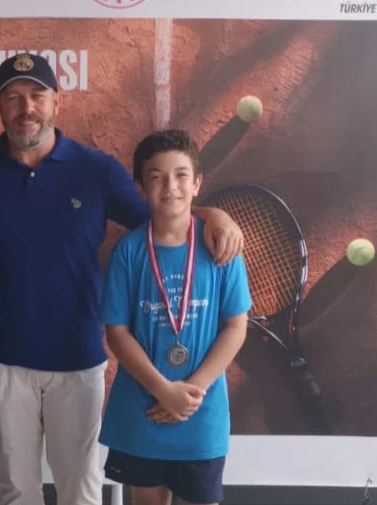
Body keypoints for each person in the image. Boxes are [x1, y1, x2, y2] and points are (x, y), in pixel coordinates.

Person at [0, 53, 245, 505]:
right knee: (17, 491)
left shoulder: (97, 170)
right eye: (14, 97)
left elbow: (161, 214)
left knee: (80, 489)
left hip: (78, 361)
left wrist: (210, 213)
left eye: (38, 95)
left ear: (57, 101)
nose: (27, 108)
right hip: (4, 362)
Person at [99, 130, 251, 505]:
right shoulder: (129, 252)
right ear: (140, 188)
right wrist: (163, 391)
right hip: (144, 407)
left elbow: (236, 326)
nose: (171, 186)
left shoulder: (221, 248)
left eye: (182, 175)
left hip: (201, 413)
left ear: (197, 183)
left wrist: (192, 390)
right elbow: (116, 331)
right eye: (157, 177)